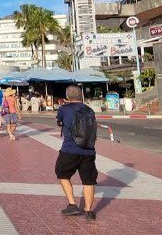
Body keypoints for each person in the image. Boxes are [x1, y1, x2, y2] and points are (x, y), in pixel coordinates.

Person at [55, 85, 98, 221]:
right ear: (81, 96)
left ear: (67, 96)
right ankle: (89, 212)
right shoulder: (90, 110)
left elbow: (59, 121)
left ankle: (72, 204)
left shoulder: (64, 109)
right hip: (89, 151)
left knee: (62, 175)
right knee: (88, 181)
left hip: (69, 149)